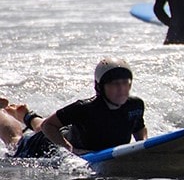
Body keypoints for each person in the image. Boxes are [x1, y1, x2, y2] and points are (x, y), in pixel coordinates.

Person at [1, 58, 148, 158]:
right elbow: (48, 125)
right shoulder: (85, 108)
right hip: (50, 142)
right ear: (100, 87)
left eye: (125, 83)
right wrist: (70, 150)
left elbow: (139, 128)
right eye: (114, 84)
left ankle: (27, 115)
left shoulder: (135, 105)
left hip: (62, 131)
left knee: (43, 127)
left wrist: (144, 144)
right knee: (15, 141)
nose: (121, 88)